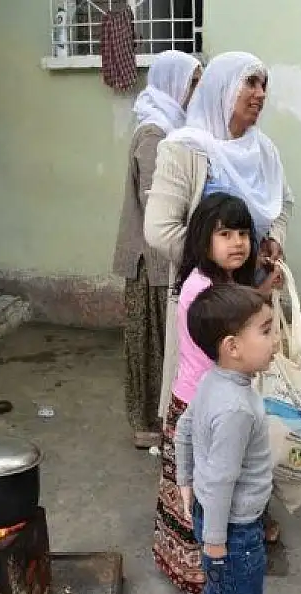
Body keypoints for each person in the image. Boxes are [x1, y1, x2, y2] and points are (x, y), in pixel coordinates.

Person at [144, 49, 293, 551]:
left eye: (264, 85)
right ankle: (197, 537)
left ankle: (250, 512)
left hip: (251, 301)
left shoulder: (263, 150)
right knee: (201, 414)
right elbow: (159, 228)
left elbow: (281, 204)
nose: (260, 95)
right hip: (207, 308)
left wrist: (272, 242)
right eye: (250, 83)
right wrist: (220, 258)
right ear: (223, 88)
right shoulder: (184, 149)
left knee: (249, 411)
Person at [152, 192, 282, 594]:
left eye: (243, 232)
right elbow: (226, 338)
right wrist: (262, 294)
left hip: (209, 398)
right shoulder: (199, 290)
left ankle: (213, 561)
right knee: (207, 486)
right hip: (200, 403)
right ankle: (204, 568)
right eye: (225, 233)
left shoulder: (221, 281)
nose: (238, 242)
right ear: (203, 239)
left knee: (211, 484)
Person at [112, 50, 202, 450]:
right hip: (152, 261)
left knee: (165, 344)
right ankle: (147, 423)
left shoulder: (173, 127)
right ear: (174, 84)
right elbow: (157, 204)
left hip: (164, 259)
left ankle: (163, 419)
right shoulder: (154, 133)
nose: (196, 91)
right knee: (150, 345)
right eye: (192, 83)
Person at [174, 283, 277, 594]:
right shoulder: (238, 409)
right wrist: (217, 544)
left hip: (211, 518)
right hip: (236, 533)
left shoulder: (209, 381)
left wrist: (185, 480)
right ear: (232, 347)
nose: (275, 340)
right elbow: (220, 481)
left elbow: (183, 429)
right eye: (265, 331)